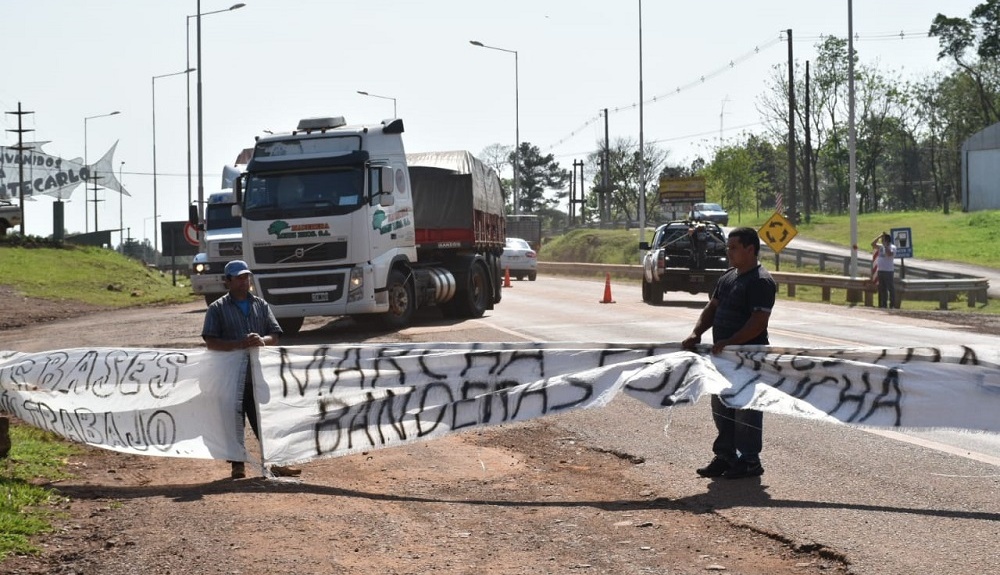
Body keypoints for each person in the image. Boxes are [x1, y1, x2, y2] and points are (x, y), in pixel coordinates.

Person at [682, 227, 777, 480]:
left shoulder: (761, 281)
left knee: (745, 406)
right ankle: (725, 455)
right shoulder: (728, 278)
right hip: (723, 357)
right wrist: (697, 333)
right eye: (728, 247)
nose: (729, 252)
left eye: (734, 247)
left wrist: (731, 341)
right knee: (721, 405)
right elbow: (712, 308)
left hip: (749, 358)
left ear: (750, 249)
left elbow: (758, 321)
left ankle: (749, 460)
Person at [201, 259, 301, 479]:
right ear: (227, 281)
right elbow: (211, 342)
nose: (243, 281)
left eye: (246, 277)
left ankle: (276, 462)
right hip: (230, 378)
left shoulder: (261, 305)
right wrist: (239, 344)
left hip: (258, 377)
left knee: (266, 421)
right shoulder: (216, 309)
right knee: (234, 423)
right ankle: (238, 466)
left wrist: (261, 340)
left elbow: (275, 335)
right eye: (238, 278)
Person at [871, 232, 897, 309]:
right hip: (881, 270)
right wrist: (879, 236)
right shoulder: (881, 247)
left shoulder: (892, 247)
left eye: (883, 239)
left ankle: (892, 305)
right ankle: (884, 304)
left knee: (890, 288)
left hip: (888, 271)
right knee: (882, 289)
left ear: (887, 240)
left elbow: (889, 254)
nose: (882, 241)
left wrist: (886, 246)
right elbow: (872, 244)